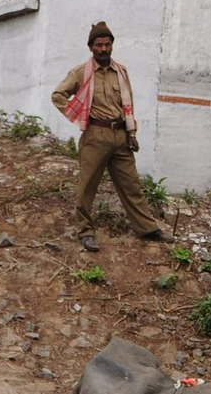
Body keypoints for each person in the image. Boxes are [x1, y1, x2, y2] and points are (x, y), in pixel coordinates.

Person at [51, 21, 164, 252]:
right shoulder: (81, 72)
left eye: (107, 44)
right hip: (95, 135)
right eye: (98, 45)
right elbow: (58, 95)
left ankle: (147, 229)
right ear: (91, 47)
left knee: (131, 184)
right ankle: (85, 232)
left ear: (112, 45)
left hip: (120, 136)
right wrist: (79, 113)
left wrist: (131, 133)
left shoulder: (121, 72)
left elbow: (128, 103)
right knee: (87, 185)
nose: (103, 49)